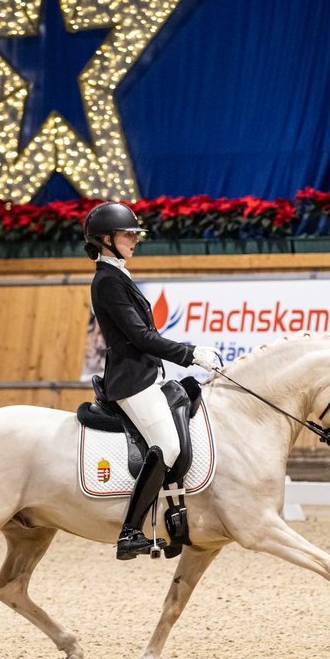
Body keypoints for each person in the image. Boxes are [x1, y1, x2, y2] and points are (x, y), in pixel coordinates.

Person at [84, 201, 222, 560]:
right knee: (168, 445)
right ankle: (130, 531)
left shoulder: (118, 275)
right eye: (127, 234)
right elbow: (141, 337)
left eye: (135, 234)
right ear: (105, 239)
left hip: (147, 375)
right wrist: (190, 353)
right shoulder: (107, 281)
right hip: (131, 381)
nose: (135, 239)